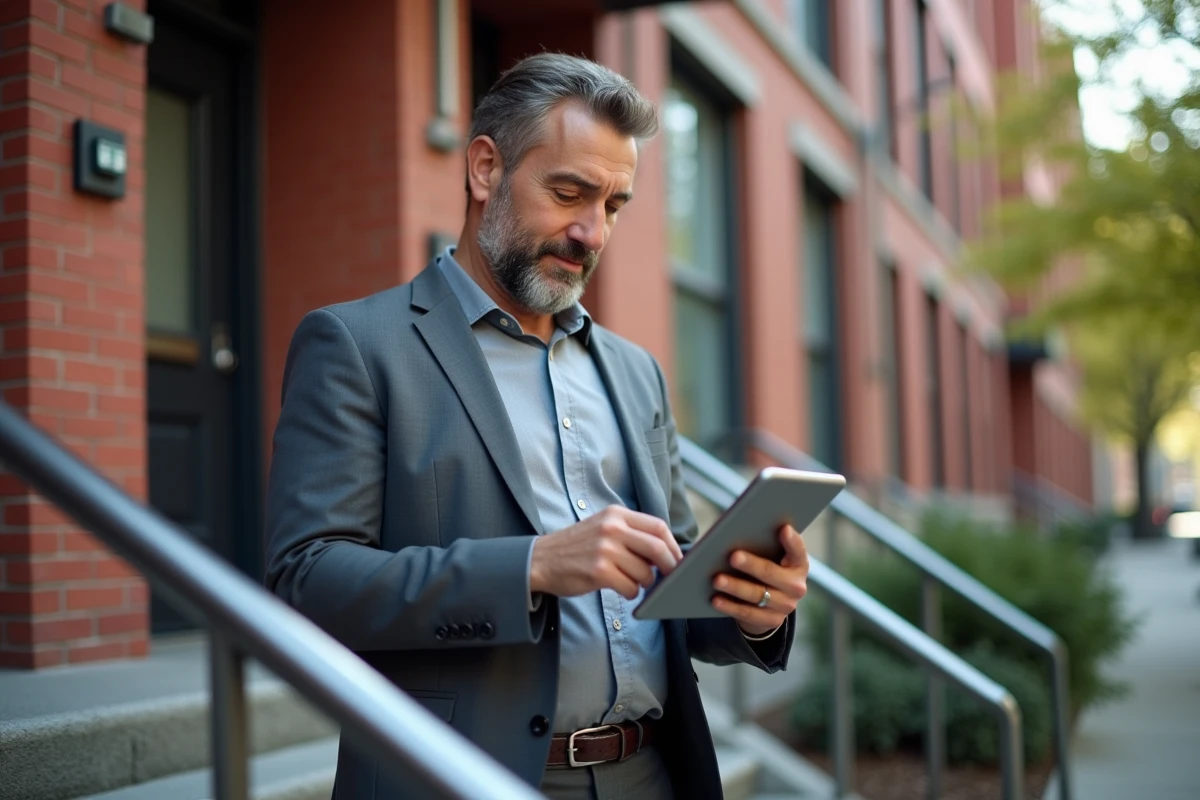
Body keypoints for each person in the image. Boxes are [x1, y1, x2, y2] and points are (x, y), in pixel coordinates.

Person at [264, 52, 811, 800]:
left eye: (613, 205)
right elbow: (306, 579)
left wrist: (754, 607)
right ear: (485, 169)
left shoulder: (636, 371)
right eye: (569, 193)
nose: (592, 232)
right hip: (461, 778)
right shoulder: (358, 346)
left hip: (652, 774)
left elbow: (675, 588)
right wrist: (530, 567)